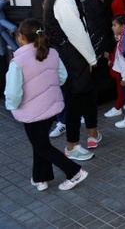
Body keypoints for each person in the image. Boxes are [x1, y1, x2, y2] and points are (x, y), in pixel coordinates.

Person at [4, 19, 88, 191]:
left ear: (21, 37)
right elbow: (62, 77)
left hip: (31, 111)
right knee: (40, 142)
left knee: (41, 145)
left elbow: (13, 93)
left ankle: (74, 172)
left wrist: (12, 105)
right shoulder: (52, 53)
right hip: (51, 106)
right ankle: (40, 178)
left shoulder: (18, 62)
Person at [42, 0, 101, 161]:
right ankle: (72, 145)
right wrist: (92, 59)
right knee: (76, 100)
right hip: (72, 55)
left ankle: (92, 135)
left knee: (85, 95)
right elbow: (76, 33)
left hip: (68, 55)